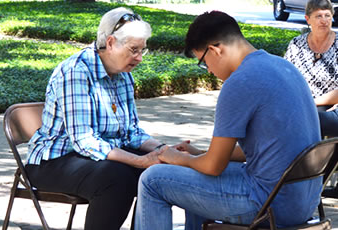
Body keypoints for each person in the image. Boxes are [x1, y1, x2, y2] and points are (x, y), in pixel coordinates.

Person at [135, 11, 322, 230]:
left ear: (215, 50)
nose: (210, 71)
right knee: (192, 173)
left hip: (268, 203)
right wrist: (198, 155)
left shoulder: (240, 81)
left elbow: (213, 167)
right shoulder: (283, 67)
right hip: (302, 201)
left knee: (153, 180)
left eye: (204, 63)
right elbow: (267, 150)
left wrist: (176, 157)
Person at [25, 7, 165, 230]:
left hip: (96, 157)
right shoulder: (75, 71)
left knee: (163, 172)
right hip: (54, 161)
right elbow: (84, 140)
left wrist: (162, 150)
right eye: (134, 50)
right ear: (111, 43)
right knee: (117, 177)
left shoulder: (123, 75)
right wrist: (139, 160)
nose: (139, 58)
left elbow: (131, 133)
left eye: (142, 50)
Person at [284, 0, 338, 137]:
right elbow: (285, 77)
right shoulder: (297, 44)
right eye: (318, 16)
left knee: (305, 121)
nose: (324, 20)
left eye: (327, 15)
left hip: (331, 106)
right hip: (302, 104)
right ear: (308, 19)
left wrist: (310, 103)